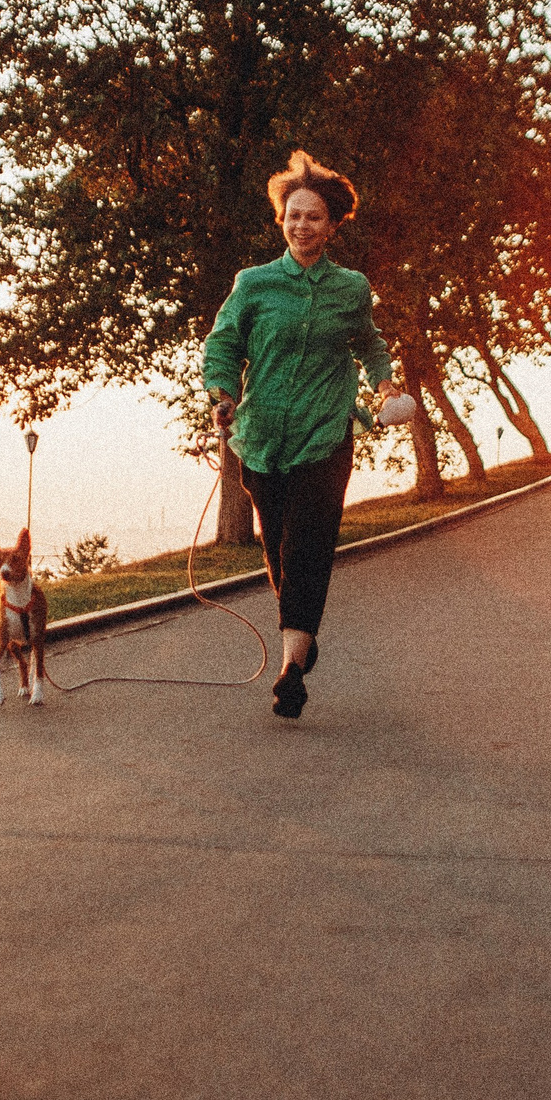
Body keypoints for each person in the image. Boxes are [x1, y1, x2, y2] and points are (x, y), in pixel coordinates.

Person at [201, 151, 404, 718]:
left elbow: (369, 343)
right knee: (279, 551)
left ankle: (291, 666)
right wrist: (222, 393)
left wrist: (385, 385)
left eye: (314, 217)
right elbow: (222, 345)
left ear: (333, 225)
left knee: (311, 546)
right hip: (261, 438)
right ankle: (303, 634)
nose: (302, 225)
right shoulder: (255, 284)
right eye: (294, 215)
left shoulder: (350, 288)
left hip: (325, 434)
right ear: (281, 220)